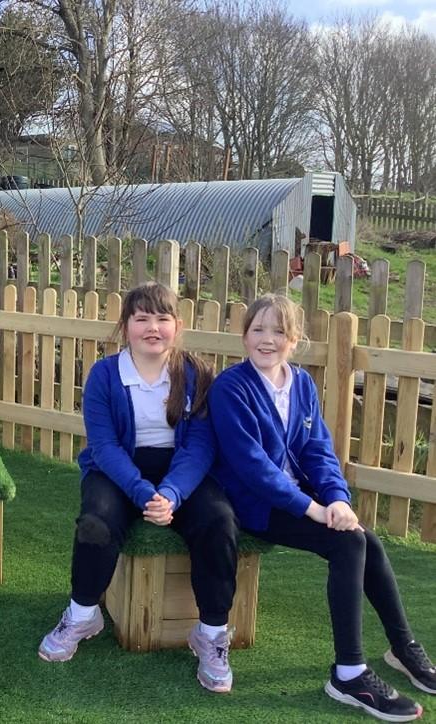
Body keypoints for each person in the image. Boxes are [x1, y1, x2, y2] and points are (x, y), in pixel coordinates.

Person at [209, 293, 434, 722]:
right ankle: (349, 673)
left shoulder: (302, 384)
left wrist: (336, 499)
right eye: (258, 329)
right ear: (244, 336)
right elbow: (253, 467)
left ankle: (402, 649)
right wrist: (312, 510)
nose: (267, 339)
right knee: (349, 545)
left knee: (364, 537)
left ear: (294, 339)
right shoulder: (230, 388)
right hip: (255, 504)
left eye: (278, 330)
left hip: (303, 496)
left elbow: (318, 451)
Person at [38, 282, 240, 693]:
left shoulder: (196, 373)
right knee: (96, 521)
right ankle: (82, 614)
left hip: (180, 471)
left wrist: (172, 493)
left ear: (177, 325)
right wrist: (143, 492)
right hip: (116, 469)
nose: (153, 327)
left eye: (162, 319)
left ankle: (212, 632)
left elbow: (201, 444)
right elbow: (104, 445)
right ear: (125, 325)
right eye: (142, 318)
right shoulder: (104, 375)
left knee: (219, 520)